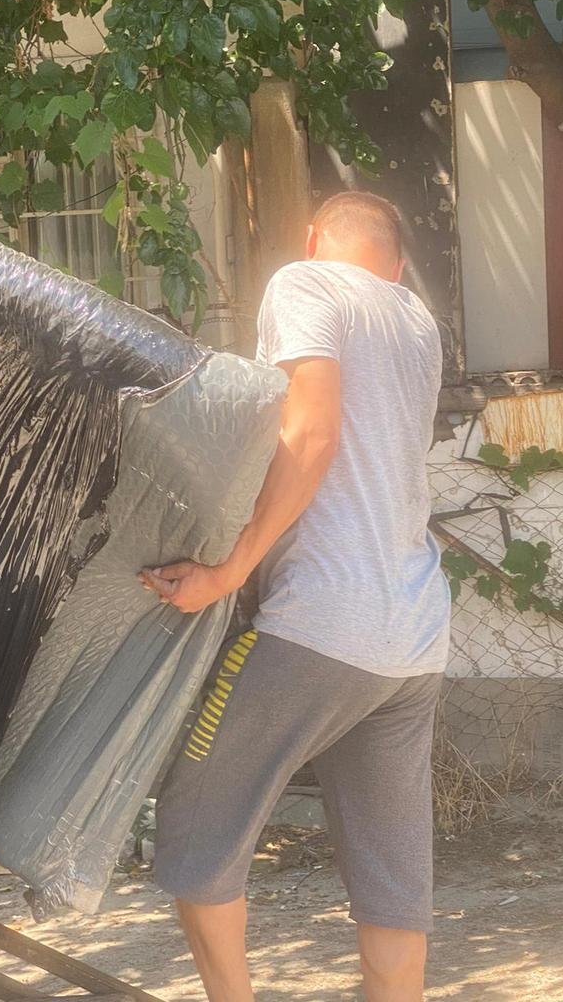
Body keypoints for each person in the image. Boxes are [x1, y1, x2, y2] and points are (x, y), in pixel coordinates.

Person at [140, 191, 451, 1002]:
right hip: (413, 640)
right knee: (391, 884)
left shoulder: (303, 283)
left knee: (196, 829)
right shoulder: (417, 320)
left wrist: (229, 570)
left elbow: (310, 434)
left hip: (318, 620)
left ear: (313, 238)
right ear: (397, 266)